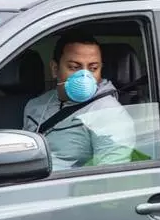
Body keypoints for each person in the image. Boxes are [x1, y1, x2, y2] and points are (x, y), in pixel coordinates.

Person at [23, 30, 136, 171]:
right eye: (74, 67)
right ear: (55, 69)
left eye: (93, 68)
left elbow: (110, 175)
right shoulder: (35, 105)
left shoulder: (109, 113)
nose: (84, 76)